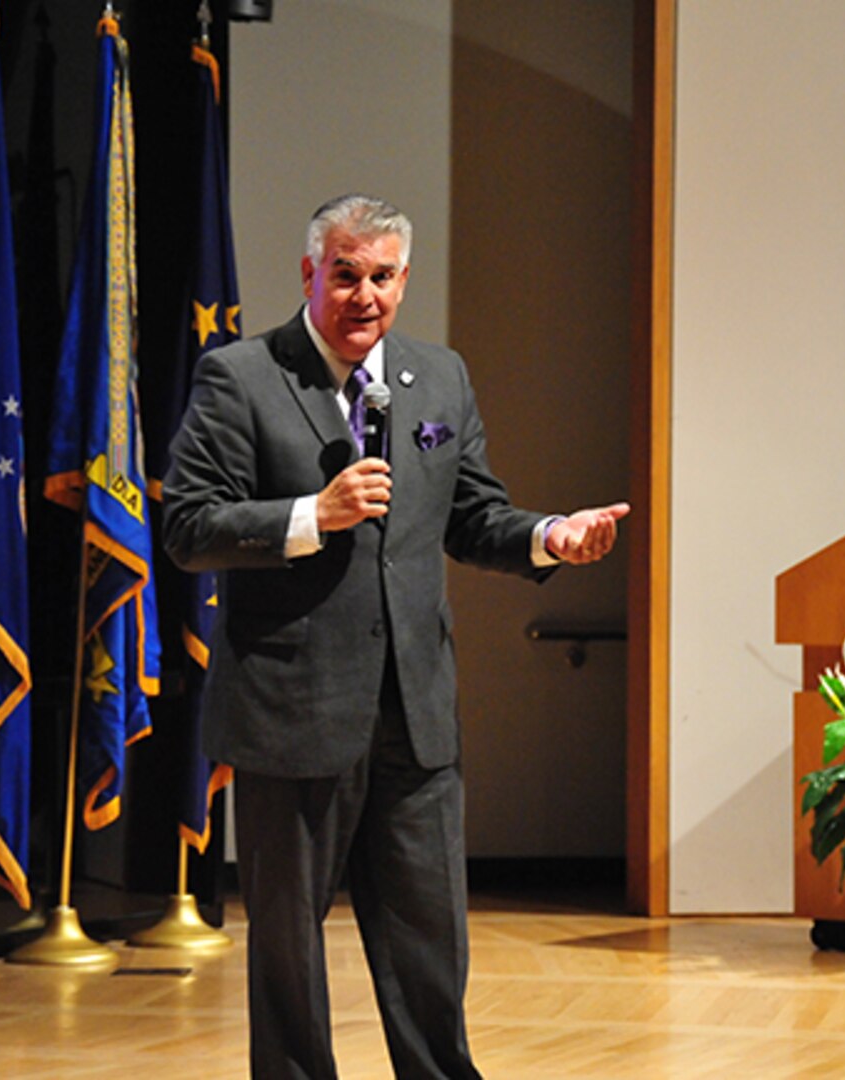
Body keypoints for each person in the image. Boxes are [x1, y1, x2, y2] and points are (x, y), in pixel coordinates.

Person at [161, 193, 627, 1079]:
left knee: (430, 943)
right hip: (291, 717)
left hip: (414, 717)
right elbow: (187, 527)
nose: (364, 295)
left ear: (404, 281)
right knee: (290, 959)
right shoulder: (241, 376)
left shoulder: (437, 378)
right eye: (345, 275)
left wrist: (547, 537)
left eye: (382, 277)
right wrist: (311, 514)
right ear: (310, 274)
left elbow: (472, 514)